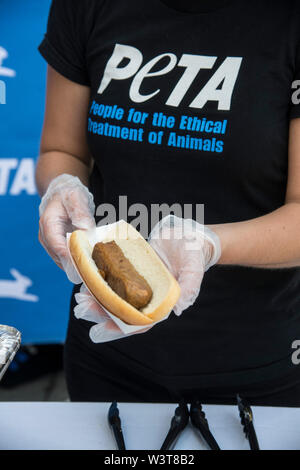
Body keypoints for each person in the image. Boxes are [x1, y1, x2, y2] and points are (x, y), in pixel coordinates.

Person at [36, 0, 300, 406]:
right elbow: (61, 149)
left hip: (260, 365)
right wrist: (61, 188)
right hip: (105, 349)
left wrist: (209, 243)